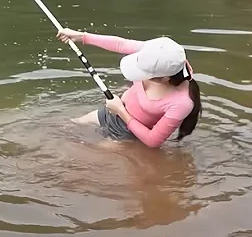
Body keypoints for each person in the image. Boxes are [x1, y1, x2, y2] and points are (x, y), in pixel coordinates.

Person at [56, 28, 202, 148]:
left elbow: (153, 141)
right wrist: (82, 37)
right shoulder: (159, 54)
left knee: (83, 150)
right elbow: (121, 44)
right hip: (111, 112)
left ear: (164, 78)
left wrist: (120, 110)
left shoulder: (182, 103)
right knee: (67, 129)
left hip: (127, 134)